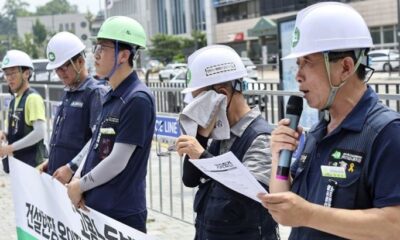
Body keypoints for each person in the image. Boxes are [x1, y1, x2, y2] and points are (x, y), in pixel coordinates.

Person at [258, 2, 400, 239]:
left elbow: (395, 224)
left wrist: (308, 215)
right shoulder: (317, 132)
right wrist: (277, 157)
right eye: (298, 64)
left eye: (308, 62)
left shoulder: (386, 133)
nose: (298, 75)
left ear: (345, 67)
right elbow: (284, 209)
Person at [176, 45, 279, 240]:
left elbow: (252, 195)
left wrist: (203, 155)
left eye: (200, 102)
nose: (195, 109)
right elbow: (190, 180)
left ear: (221, 95)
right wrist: (201, 136)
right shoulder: (220, 135)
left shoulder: (261, 137)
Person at [66, 16, 155, 233]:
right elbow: (96, 144)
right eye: (96, 47)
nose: (95, 55)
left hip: (121, 212)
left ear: (124, 55)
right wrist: (77, 179)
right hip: (98, 205)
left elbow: (117, 161)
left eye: (103, 48)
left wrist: (80, 185)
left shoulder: (137, 99)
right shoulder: (111, 94)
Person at [38, 31, 107, 184]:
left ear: (80, 62)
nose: (60, 74)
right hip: (59, 177)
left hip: (76, 181)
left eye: (63, 68)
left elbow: (98, 140)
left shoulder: (94, 93)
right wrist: (51, 162)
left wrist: (71, 167)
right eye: (57, 69)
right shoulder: (69, 92)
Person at [0, 50, 47, 172]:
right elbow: (18, 131)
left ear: (26, 73)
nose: (9, 78)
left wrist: (10, 148)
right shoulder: (13, 101)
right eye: (6, 74)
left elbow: (39, 133)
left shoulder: (33, 98)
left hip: (34, 168)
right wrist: (5, 135)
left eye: (13, 73)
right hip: (18, 166)